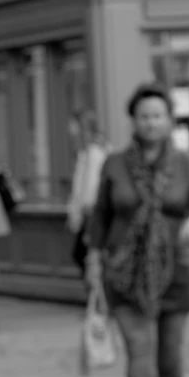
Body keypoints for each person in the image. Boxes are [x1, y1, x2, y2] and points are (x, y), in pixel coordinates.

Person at [86, 83, 189, 377]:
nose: (151, 123)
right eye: (144, 117)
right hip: (123, 272)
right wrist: (94, 263)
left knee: (169, 358)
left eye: (158, 116)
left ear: (169, 120)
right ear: (133, 121)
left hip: (176, 269)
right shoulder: (115, 163)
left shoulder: (186, 163)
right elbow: (100, 217)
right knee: (140, 353)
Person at [67, 108, 110, 277]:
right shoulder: (86, 152)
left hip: (92, 217)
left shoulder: (94, 153)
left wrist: (83, 217)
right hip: (90, 216)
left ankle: (99, 299)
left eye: (72, 125)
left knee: (84, 256)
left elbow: (90, 191)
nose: (69, 130)